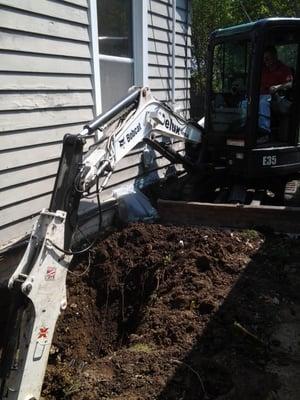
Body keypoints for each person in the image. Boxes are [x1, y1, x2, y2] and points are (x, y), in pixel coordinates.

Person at [259, 46, 293, 139]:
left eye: (267, 58)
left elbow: (290, 84)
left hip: (276, 97)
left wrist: (278, 87)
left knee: (262, 103)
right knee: (245, 103)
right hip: (261, 95)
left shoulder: (284, 69)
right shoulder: (262, 69)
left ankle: (264, 132)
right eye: (264, 59)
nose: (265, 61)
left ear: (275, 57)